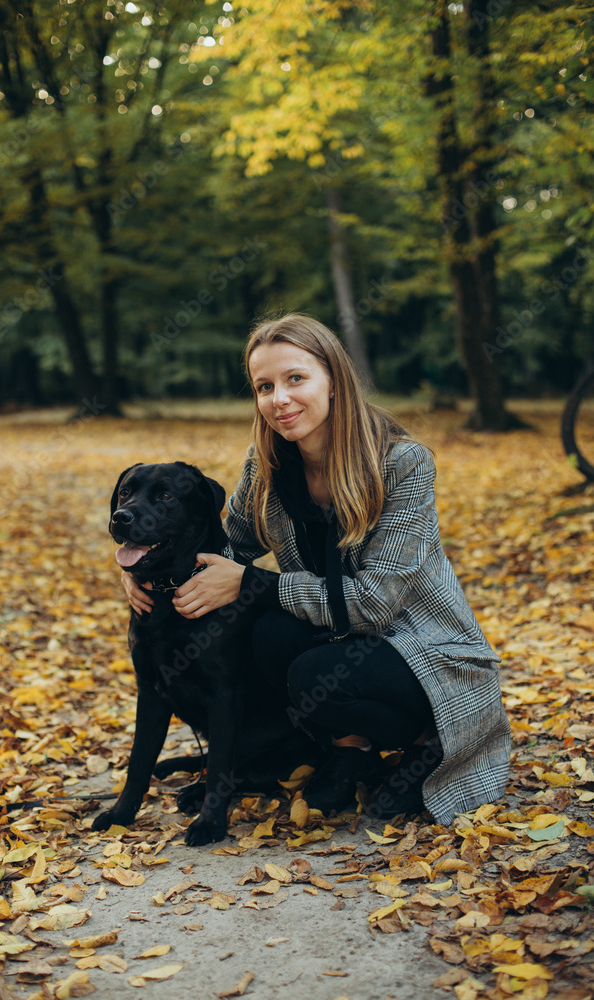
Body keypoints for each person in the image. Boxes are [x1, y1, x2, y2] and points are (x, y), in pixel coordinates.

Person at [122, 314, 511, 824]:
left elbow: (373, 602)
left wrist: (252, 582)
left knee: (309, 668)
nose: (279, 399)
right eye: (265, 386)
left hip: (427, 651)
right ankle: (351, 752)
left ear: (334, 380)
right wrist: (145, 561)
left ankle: (431, 746)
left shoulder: (403, 463)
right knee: (268, 632)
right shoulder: (268, 464)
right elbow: (229, 545)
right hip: (342, 641)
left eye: (295, 379)